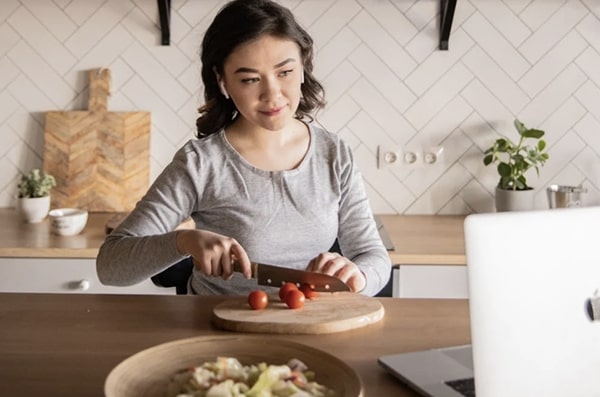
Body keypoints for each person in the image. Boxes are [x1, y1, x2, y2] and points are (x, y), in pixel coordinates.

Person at [96, 0, 391, 296]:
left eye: (285, 72)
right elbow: (110, 265)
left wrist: (359, 276)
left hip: (308, 323)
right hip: (217, 330)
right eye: (250, 79)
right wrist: (184, 242)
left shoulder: (334, 154)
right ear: (222, 82)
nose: (272, 94)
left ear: (303, 67)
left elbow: (373, 256)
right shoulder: (200, 163)